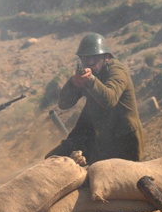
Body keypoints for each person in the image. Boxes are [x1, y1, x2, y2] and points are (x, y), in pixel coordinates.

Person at [46, 33, 144, 165]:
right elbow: (64, 104)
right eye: (86, 58)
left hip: (122, 140)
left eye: (94, 58)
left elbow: (109, 100)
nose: (90, 62)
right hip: (96, 135)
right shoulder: (86, 74)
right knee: (52, 160)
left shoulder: (117, 71)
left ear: (106, 57)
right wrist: (74, 83)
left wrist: (91, 81)